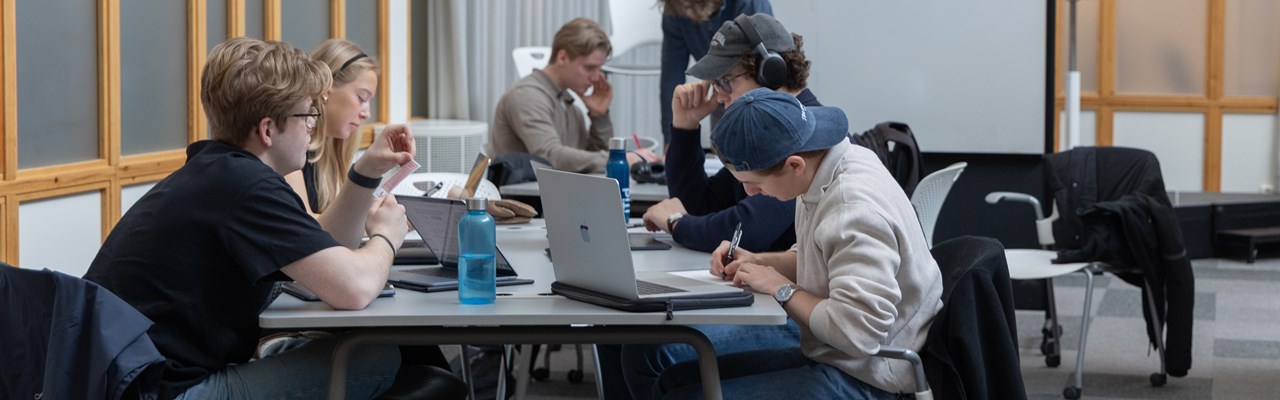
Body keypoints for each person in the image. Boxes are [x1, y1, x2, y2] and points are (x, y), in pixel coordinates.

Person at [82, 37, 460, 400]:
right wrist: (387, 237)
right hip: (165, 390)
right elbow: (355, 288)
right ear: (267, 130)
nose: (312, 126)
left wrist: (366, 174)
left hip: (124, 380)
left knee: (370, 349)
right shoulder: (246, 186)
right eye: (307, 115)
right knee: (374, 357)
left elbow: (329, 246)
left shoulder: (218, 172)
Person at [655, 88, 944, 399]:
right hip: (837, 355)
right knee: (673, 382)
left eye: (755, 183)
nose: (750, 193)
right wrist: (758, 262)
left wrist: (781, 287)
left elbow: (857, 333)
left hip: (871, 376)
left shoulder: (852, 209)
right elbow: (823, 259)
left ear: (794, 165)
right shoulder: (828, 167)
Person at [645, 13, 816, 253]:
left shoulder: (807, 134)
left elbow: (748, 232)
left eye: (725, 81)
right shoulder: (762, 131)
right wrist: (685, 127)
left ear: (771, 73)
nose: (719, 96)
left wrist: (677, 222)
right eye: (715, 83)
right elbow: (699, 207)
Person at [490, 17, 660, 173]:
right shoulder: (527, 96)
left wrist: (599, 116)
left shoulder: (568, 105)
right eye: (589, 68)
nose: (596, 77)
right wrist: (617, 159)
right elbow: (549, 157)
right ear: (562, 57)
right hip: (525, 196)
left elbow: (588, 162)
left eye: (599, 69)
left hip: (556, 193)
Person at [285, 38, 379, 217]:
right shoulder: (289, 149)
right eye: (361, 98)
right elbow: (306, 223)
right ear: (327, 88)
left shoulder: (334, 151)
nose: (367, 114)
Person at [658, 0, 772, 146]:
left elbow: (764, 67)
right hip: (722, 87)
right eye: (684, 7)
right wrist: (671, 142)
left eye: (692, 5)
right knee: (722, 152)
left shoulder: (749, 4)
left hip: (755, 95)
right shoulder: (675, 9)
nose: (689, 14)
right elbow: (670, 79)